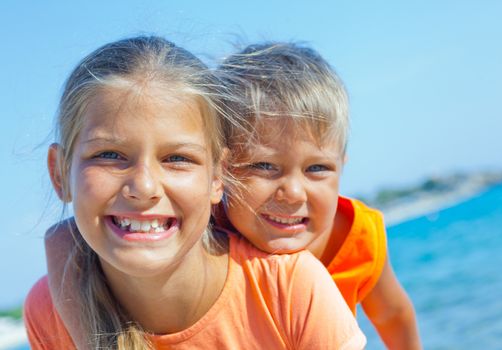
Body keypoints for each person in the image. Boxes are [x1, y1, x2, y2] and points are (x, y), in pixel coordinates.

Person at [24, 36, 366, 350]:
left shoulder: (290, 289)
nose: (144, 187)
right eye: (109, 155)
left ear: (218, 176)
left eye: (177, 158)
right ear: (59, 173)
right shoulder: (48, 312)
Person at [215, 43, 422, 349]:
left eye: (317, 168)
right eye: (265, 166)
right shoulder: (208, 242)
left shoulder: (356, 237)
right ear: (222, 170)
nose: (293, 193)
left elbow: (392, 313)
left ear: (341, 166)